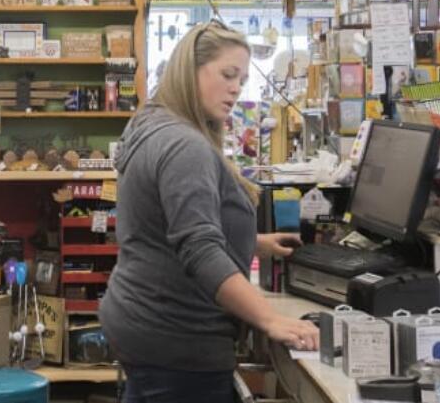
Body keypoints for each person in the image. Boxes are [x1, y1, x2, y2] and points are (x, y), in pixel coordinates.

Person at [100, 22, 319, 403]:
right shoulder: (185, 146)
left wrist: (250, 243)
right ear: (190, 71)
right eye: (227, 74)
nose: (236, 88)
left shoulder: (153, 121)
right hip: (176, 338)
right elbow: (198, 249)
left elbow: (164, 227)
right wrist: (270, 319)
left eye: (242, 78)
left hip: (142, 322)